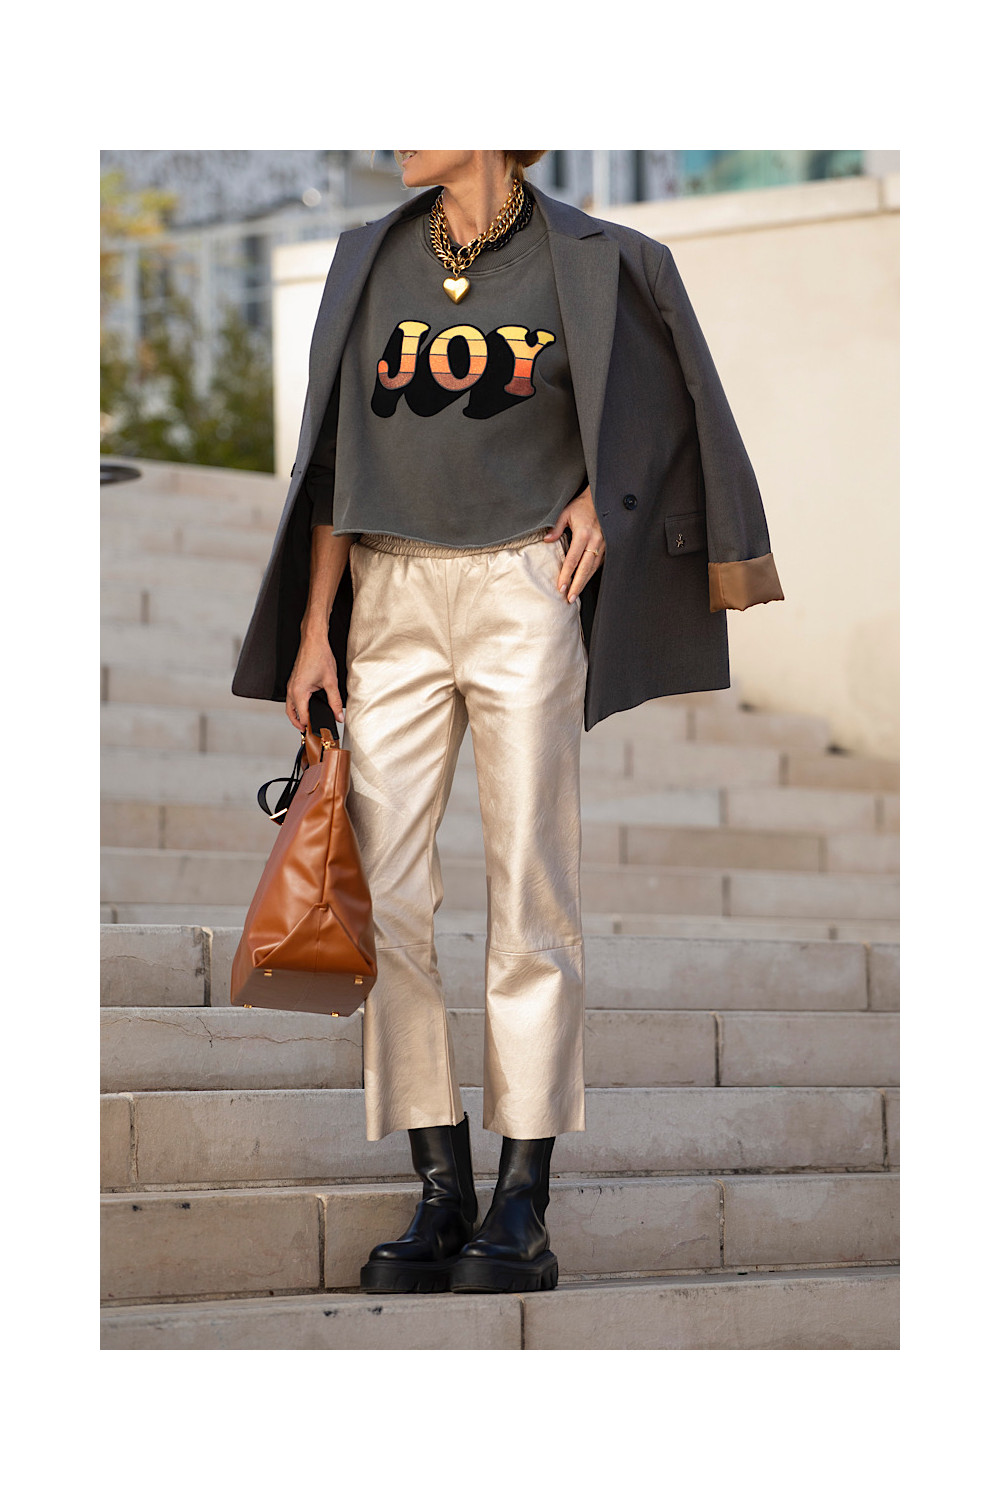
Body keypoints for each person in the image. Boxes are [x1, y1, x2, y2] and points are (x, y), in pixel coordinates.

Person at [232, 149, 783, 1297]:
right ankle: (441, 1186)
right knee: (383, 896)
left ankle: (522, 1199)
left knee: (531, 886)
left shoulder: (600, 259)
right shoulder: (369, 257)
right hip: (386, 596)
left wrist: (600, 498)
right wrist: (315, 628)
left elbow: (670, 410)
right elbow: (335, 456)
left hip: (522, 590)